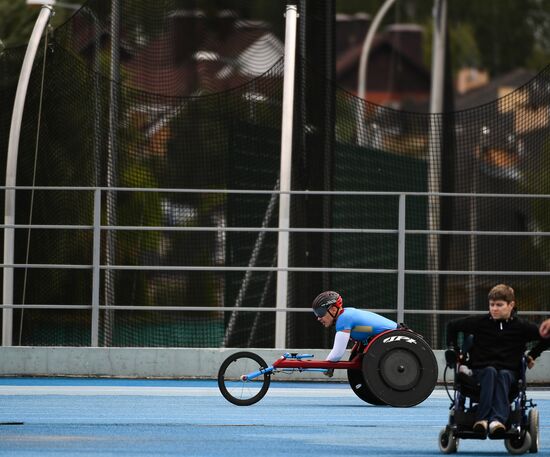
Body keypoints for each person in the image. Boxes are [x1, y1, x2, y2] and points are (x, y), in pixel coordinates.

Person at [446, 284, 550, 437]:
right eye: (492, 305)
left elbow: (546, 337)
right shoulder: (479, 322)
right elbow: (452, 326)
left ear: (511, 305)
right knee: (490, 371)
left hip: (509, 374)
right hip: (481, 372)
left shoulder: (521, 327)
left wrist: (533, 355)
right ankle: (482, 420)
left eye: (499, 305)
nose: (494, 309)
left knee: (503, 374)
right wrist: (455, 351)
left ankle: (496, 421)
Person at [311, 290, 398, 376]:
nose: (318, 318)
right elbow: (368, 329)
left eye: (320, 313)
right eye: (316, 314)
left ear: (333, 310)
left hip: (397, 338)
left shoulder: (344, 319)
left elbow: (337, 353)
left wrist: (325, 366)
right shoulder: (347, 314)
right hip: (395, 335)